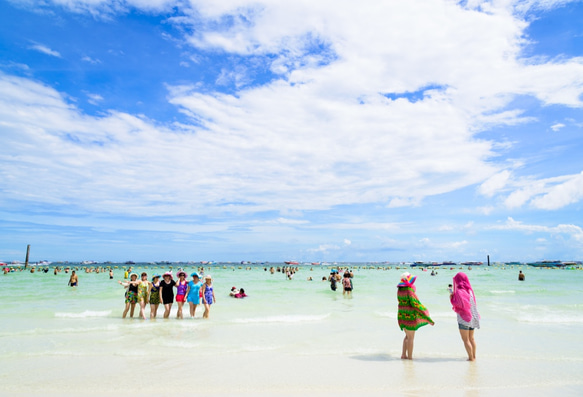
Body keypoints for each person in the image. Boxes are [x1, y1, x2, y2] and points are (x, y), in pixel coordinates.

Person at [397, 272, 434, 360]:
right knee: (411, 338)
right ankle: (409, 357)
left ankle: (403, 355)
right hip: (409, 316)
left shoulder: (399, 290)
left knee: (407, 336)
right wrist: (426, 314)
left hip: (401, 314)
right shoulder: (409, 290)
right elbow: (415, 304)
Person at [450, 272, 480, 361]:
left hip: (464, 318)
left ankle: (471, 358)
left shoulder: (459, 291)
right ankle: (473, 356)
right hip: (473, 317)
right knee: (471, 339)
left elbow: (460, 304)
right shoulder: (469, 290)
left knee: (466, 340)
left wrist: (451, 298)